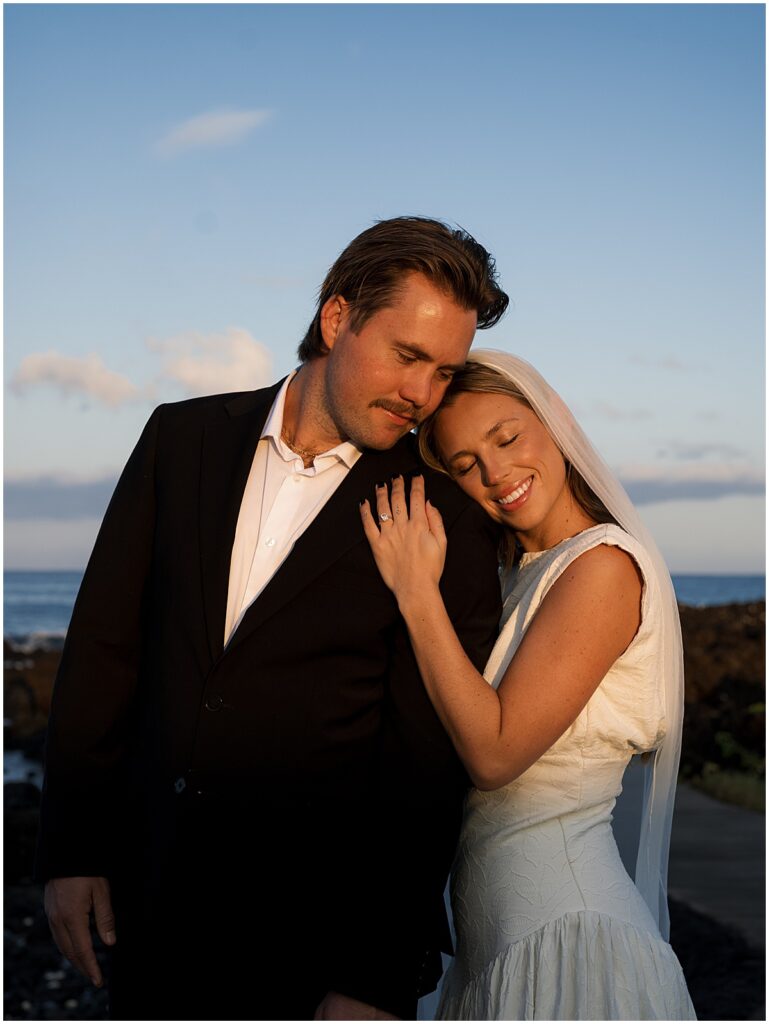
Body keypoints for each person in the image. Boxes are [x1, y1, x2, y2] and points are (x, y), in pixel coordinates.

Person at [35, 218, 510, 1021]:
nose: (421, 395)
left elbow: (420, 769)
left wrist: (374, 975)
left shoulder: (443, 520)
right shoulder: (177, 439)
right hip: (145, 909)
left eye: (443, 372)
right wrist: (73, 852)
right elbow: (105, 650)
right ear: (337, 319)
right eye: (406, 356)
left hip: (309, 946)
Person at [361, 349, 697, 1020]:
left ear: (555, 421)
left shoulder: (601, 566)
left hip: (570, 943)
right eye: (464, 465)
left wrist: (415, 594)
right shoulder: (513, 575)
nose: (495, 472)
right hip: (493, 951)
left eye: (506, 437)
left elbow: (494, 753)